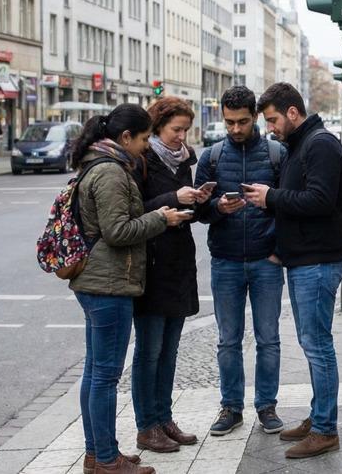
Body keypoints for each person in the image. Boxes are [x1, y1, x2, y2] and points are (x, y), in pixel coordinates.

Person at [68, 104, 190, 474]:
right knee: (104, 375)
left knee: (95, 372)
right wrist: (160, 217)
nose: (144, 146)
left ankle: (98, 453)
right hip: (108, 283)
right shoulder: (110, 171)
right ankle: (105, 458)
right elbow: (117, 231)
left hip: (99, 281)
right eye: (142, 139)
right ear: (125, 138)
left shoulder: (101, 163)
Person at [242, 82, 342, 460]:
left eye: (272, 120)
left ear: (291, 112)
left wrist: (271, 197)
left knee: (318, 345)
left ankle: (325, 429)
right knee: (312, 342)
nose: (269, 127)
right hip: (304, 259)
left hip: (318, 262)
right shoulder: (300, 144)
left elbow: (320, 200)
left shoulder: (319, 144)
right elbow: (300, 198)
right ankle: (319, 416)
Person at [193, 86, 287, 437]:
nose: (235, 129)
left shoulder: (277, 154)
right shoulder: (212, 157)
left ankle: (267, 406)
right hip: (226, 260)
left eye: (242, 122)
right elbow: (197, 210)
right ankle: (231, 407)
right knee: (228, 340)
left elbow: (289, 204)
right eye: (229, 122)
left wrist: (281, 250)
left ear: (255, 117)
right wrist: (217, 207)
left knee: (269, 339)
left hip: (266, 260)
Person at [130, 98, 210, 453]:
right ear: (158, 126)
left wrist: (203, 201)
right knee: (149, 351)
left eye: (185, 130)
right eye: (176, 129)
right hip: (151, 263)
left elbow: (185, 208)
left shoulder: (183, 160)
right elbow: (132, 212)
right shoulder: (140, 160)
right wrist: (173, 197)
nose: (181, 137)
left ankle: (165, 419)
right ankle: (146, 427)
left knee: (170, 350)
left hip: (179, 262)